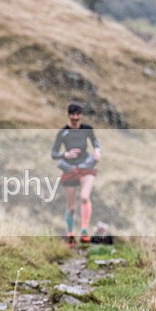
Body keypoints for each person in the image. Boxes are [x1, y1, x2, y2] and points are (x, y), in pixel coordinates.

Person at [51, 102, 101, 245]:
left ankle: (84, 230)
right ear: (68, 115)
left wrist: (97, 152)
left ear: (81, 115)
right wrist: (66, 154)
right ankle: (70, 233)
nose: (75, 117)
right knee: (71, 206)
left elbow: (95, 142)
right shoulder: (63, 133)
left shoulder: (87, 129)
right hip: (69, 168)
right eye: (72, 114)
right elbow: (54, 153)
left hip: (86, 166)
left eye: (78, 114)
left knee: (85, 197)